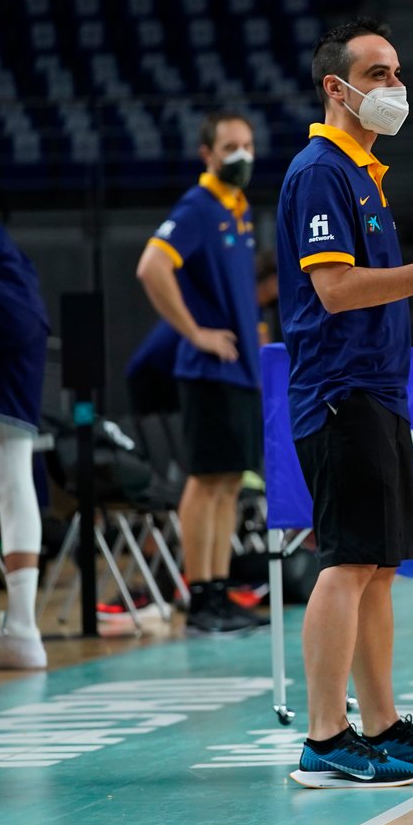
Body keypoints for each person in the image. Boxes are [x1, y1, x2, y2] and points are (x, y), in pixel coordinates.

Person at [277, 16, 413, 788]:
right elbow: (334, 290)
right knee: (347, 560)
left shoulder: (365, 174)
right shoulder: (319, 171)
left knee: (377, 567)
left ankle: (380, 724)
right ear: (336, 88)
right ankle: (324, 735)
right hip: (339, 390)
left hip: (377, 387)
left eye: (398, 72)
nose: (394, 87)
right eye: (377, 74)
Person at [134, 112, 264, 634]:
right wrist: (194, 333)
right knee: (204, 479)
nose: (242, 156)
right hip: (207, 369)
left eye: (248, 145)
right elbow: (151, 266)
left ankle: (217, 589)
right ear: (206, 154)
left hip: (240, 368)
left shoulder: (239, 208)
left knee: (229, 481)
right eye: (230, 146)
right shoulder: (197, 207)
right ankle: (200, 597)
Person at [0, 210, 51, 670]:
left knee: (10, 474)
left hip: (2, 330)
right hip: (18, 332)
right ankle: (21, 629)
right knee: (10, 474)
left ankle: (23, 629)